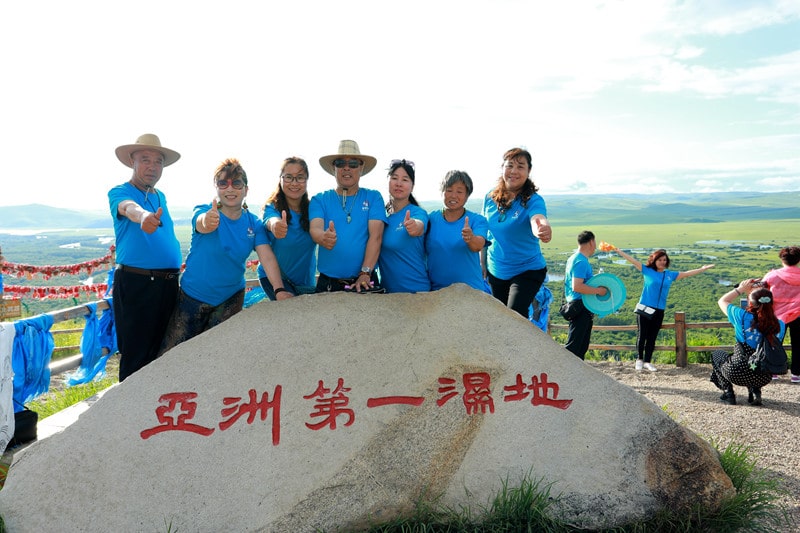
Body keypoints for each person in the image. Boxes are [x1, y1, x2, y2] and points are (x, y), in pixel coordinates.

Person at [160, 158, 291, 355]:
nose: (230, 189)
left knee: (218, 356)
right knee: (172, 356)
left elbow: (267, 257)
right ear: (217, 188)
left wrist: (279, 289)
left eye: (236, 183)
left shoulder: (253, 223)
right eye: (223, 183)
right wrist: (208, 221)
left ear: (246, 190)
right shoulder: (206, 211)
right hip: (192, 297)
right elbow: (201, 223)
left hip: (230, 300)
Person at [109, 133, 182, 381]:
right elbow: (128, 207)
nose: (152, 166)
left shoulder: (160, 196)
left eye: (158, 161)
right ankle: (128, 416)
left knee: (162, 354)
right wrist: (142, 216)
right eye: (145, 159)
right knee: (136, 356)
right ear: (133, 162)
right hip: (138, 283)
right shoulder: (120, 191)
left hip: (168, 285)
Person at [613, 246, 714, 371]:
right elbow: (633, 261)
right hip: (645, 307)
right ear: (654, 260)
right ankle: (639, 359)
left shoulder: (669, 275)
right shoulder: (647, 270)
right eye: (660, 260)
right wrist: (618, 251)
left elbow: (686, 274)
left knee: (652, 337)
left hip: (659, 310)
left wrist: (702, 269)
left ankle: (647, 361)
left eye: (664, 260)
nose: (663, 262)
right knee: (642, 335)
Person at [482, 147, 552, 318]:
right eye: (509, 165)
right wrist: (482, 264)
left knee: (514, 315)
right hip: (496, 270)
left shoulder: (533, 200)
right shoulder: (490, 198)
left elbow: (538, 218)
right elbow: (485, 233)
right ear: (502, 168)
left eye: (520, 166)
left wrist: (542, 228)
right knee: (499, 317)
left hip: (527, 270)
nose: (514, 171)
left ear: (529, 171)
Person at [310, 140, 387, 293]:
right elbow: (315, 229)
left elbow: (376, 236)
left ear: (361, 167)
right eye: (340, 163)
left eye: (353, 163)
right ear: (334, 168)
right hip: (328, 284)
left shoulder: (373, 197)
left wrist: (365, 273)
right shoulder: (319, 199)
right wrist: (323, 237)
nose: (346, 167)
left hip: (364, 281)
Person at [711, 279, 785, 405]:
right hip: (764, 375)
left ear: (750, 302)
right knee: (759, 359)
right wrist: (762, 292)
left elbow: (722, 301)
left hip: (737, 373)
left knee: (717, 355)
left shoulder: (741, 316)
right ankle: (756, 391)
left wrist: (741, 288)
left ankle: (728, 393)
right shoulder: (780, 324)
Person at [258, 157, 317, 298]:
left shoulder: (313, 210)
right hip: (275, 279)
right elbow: (271, 220)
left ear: (307, 180)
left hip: (306, 283)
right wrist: (276, 225)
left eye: (300, 177)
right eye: (288, 177)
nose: (294, 183)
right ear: (280, 179)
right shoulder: (271, 207)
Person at [426, 170, 490, 292]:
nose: (453, 195)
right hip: (437, 293)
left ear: (467, 195)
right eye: (449, 190)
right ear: (442, 192)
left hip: (470, 291)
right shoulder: (430, 219)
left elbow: (478, 245)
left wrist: (470, 238)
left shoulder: (477, 220)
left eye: (459, 191)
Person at [377, 159, 429, 293]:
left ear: (412, 186)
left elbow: (420, 225)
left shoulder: (417, 212)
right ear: (388, 181)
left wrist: (414, 226)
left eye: (405, 180)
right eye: (394, 178)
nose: (399, 183)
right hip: (388, 295)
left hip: (417, 293)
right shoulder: (382, 218)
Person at [563, 231, 607, 359]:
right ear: (591, 242)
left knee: (580, 346)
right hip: (580, 306)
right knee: (575, 347)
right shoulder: (581, 261)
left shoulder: (573, 258)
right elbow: (577, 286)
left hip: (577, 306)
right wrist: (599, 291)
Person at [762, 246, 800, 382]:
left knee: (774, 343)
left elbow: (763, 292)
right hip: (799, 314)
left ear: (782, 259)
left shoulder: (772, 275)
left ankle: (774, 371)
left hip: (777, 315)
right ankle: (797, 374)